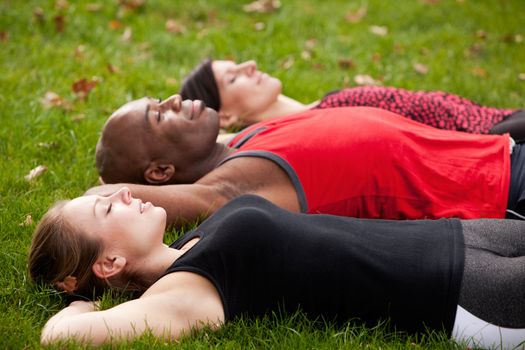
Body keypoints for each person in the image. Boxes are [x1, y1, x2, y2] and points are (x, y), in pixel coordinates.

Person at [29, 190, 525, 347]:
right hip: (456, 291)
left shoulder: (188, 246)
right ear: (109, 262)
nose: (120, 195)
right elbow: (58, 338)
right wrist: (78, 302)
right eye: (106, 211)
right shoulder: (185, 292)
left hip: (455, 236)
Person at [92, 95, 523, 227]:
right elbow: (105, 193)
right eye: (158, 114)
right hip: (503, 193)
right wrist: (99, 196)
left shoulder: (243, 140)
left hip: (503, 154)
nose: (171, 99)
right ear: (160, 172)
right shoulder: (239, 182)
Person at [180, 59, 525, 139]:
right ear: (223, 116)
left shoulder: (322, 105)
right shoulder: (308, 128)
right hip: (492, 140)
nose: (250, 65)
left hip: (497, 117)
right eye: (233, 76)